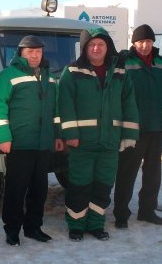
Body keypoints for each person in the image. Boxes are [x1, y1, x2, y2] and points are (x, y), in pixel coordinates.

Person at [59, 27, 139, 242]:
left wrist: (129, 133)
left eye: (100, 45)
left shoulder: (120, 72)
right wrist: (70, 134)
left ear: (107, 47)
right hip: (82, 142)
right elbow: (64, 106)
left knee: (103, 185)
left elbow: (129, 103)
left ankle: (95, 224)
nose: (96, 48)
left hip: (110, 142)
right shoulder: (72, 72)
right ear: (85, 49)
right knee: (79, 185)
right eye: (91, 45)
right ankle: (76, 225)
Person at [0, 35, 63, 246]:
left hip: (43, 144)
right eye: (30, 51)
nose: (35, 55)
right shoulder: (8, 76)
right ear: (21, 53)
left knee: (39, 189)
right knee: (16, 189)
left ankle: (33, 227)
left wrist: (57, 135)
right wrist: (3, 137)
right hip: (19, 143)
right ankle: (12, 230)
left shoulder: (49, 77)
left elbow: (56, 109)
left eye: (38, 51)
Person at [113, 24, 162, 228]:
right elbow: (116, 91)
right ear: (134, 43)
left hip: (157, 127)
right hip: (134, 128)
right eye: (141, 41)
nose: (145, 45)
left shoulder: (161, 63)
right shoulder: (124, 61)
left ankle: (147, 210)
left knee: (153, 173)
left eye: (148, 41)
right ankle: (121, 214)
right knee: (127, 172)